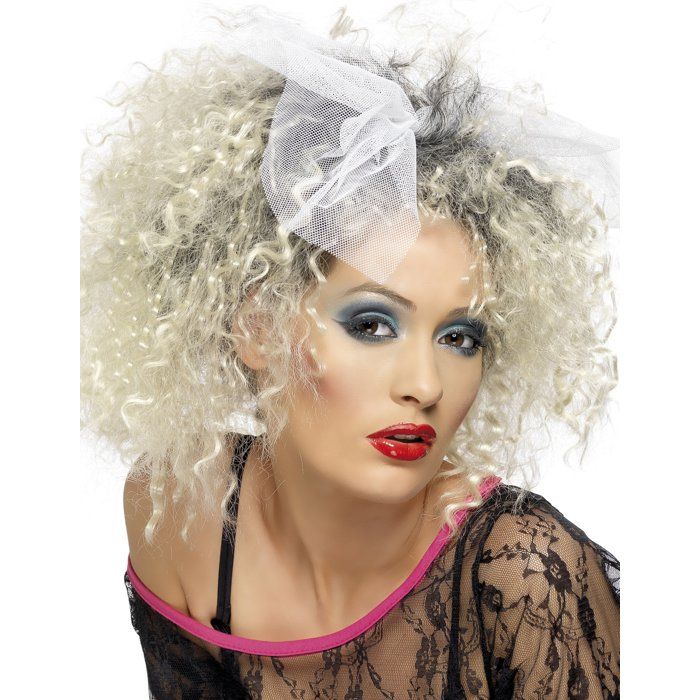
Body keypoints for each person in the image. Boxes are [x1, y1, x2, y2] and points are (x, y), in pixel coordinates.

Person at [80, 4, 620, 698]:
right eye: (373, 324)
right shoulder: (182, 510)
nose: (426, 384)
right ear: (258, 328)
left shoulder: (523, 573)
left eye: (460, 338)